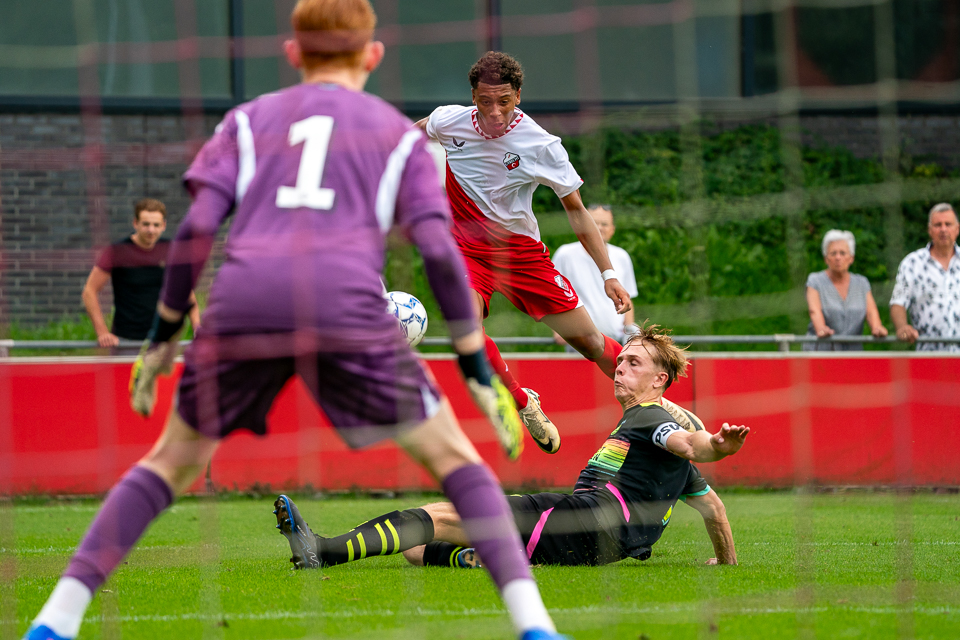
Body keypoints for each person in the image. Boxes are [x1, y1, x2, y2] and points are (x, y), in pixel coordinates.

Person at [22, 2, 565, 639]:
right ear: (372, 55)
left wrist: (163, 336)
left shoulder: (247, 120)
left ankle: (54, 623)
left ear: (292, 53)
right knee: (458, 466)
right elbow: (441, 254)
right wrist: (475, 364)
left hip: (247, 298)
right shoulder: (399, 135)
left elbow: (196, 230)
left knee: (165, 464)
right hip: (347, 304)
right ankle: (536, 627)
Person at [275, 323, 747, 572]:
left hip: (580, 521)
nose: (620, 367)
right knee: (417, 551)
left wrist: (718, 446)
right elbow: (715, 510)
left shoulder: (652, 417)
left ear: (659, 380)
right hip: (592, 543)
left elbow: (691, 444)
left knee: (443, 512)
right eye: (620, 359)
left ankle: (323, 551)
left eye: (633, 362)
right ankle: (481, 558)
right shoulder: (650, 434)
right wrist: (725, 561)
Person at [417, 51, 700, 457]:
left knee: (588, 341)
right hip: (464, 249)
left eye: (504, 102)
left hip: (520, 255)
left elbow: (578, 213)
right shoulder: (450, 120)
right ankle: (521, 402)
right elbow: (415, 132)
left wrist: (608, 274)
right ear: (472, 97)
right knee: (466, 327)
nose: (494, 113)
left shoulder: (540, 144)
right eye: (484, 102)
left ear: (518, 96)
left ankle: (657, 403)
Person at [81, 198, 200, 348]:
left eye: (156, 225)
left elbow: (186, 292)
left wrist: (197, 327)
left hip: (164, 340)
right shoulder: (117, 252)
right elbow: (89, 291)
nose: (151, 230)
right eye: (146, 224)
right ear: (135, 223)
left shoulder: (172, 250)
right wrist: (102, 332)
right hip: (126, 340)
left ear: (163, 225)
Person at [552, 204, 638, 345]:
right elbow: (552, 293)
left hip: (616, 343)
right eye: (594, 223)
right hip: (579, 343)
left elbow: (627, 299)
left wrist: (630, 337)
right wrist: (559, 330)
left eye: (604, 224)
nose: (599, 228)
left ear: (612, 230)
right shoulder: (565, 255)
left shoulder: (622, 257)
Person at [890, 203, 960, 351]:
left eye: (948, 224)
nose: (943, 229)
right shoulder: (912, 263)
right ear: (929, 230)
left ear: (957, 229)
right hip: (928, 355)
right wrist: (903, 327)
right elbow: (898, 302)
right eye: (937, 225)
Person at [803, 229, 887, 351]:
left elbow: (871, 312)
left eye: (842, 253)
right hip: (822, 352)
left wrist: (877, 327)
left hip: (853, 353)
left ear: (851, 258)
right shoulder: (815, 281)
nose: (838, 257)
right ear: (826, 259)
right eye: (833, 253)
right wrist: (821, 328)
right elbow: (814, 310)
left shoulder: (861, 283)